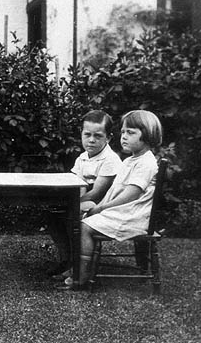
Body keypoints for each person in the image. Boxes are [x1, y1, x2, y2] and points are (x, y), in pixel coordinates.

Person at [63, 110, 163, 290]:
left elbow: (131, 193)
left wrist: (102, 208)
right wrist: (100, 207)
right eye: (123, 132)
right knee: (80, 219)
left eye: (131, 133)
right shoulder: (131, 160)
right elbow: (116, 191)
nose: (124, 137)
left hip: (133, 215)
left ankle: (82, 276)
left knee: (85, 227)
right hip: (124, 210)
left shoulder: (146, 163)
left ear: (147, 136)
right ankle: (77, 266)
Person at [46, 110, 122, 278]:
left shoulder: (110, 159)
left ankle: (78, 265)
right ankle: (67, 259)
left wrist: (72, 202)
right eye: (87, 134)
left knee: (70, 215)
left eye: (98, 136)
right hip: (85, 202)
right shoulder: (82, 158)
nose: (91, 140)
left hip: (104, 206)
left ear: (108, 138)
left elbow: (97, 193)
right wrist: (70, 199)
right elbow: (77, 185)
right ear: (81, 134)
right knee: (52, 214)